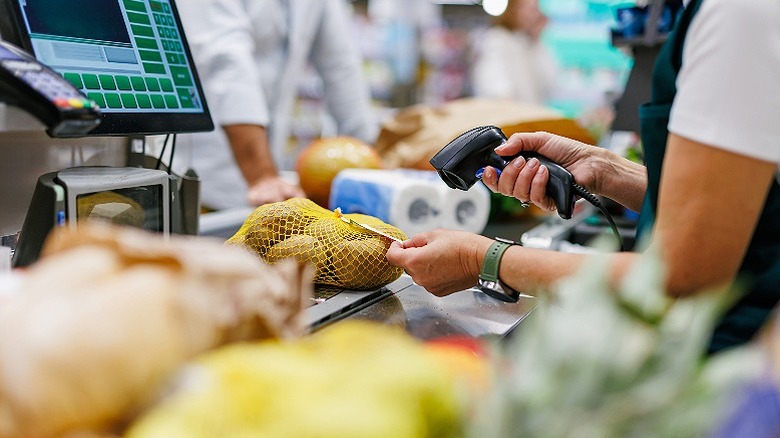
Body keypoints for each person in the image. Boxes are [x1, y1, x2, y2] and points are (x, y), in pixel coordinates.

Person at [387, 0, 780, 354]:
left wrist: (483, 259)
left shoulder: (737, 15)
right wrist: (607, 171)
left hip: (734, 362)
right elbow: (742, 210)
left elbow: (680, 278)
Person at [177, 0, 378, 210]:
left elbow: (340, 66)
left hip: (270, 180)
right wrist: (262, 176)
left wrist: (371, 166)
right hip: (208, 183)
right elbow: (227, 62)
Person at [470, 0, 559, 106]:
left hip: (528, 115)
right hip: (508, 115)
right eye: (529, 9)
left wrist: (537, 40)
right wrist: (508, 102)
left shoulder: (530, 44)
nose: (534, 15)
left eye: (536, 10)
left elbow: (550, 84)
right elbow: (492, 81)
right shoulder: (497, 39)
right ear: (514, 9)